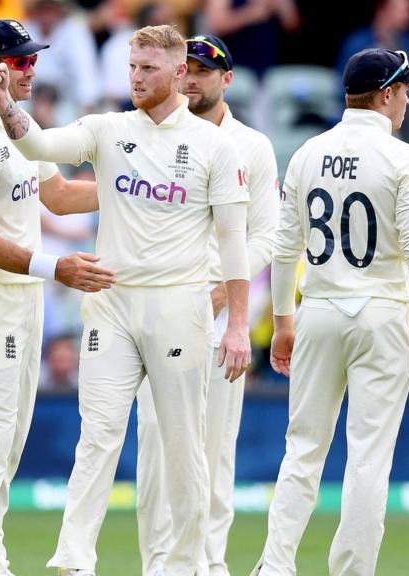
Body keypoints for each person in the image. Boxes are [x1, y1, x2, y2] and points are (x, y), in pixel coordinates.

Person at [0, 23, 252, 576]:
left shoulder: (215, 147)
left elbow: (233, 245)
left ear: (180, 73)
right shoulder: (107, 129)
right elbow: (37, 144)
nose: (136, 77)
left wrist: (239, 326)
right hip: (112, 303)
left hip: (180, 306)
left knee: (183, 446)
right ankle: (74, 559)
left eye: (149, 68)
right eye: (132, 66)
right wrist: (5, 103)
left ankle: (185, 563)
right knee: (98, 434)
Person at [252, 48, 409, 576]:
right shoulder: (403, 158)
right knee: (368, 456)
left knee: (302, 451)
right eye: (405, 89)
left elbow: (283, 247)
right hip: (380, 313)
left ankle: (274, 566)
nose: (408, 99)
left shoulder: (307, 153)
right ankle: (351, 570)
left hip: (317, 309)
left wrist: (283, 321)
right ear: (386, 93)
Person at [0, 19, 110, 576]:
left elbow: (57, 196)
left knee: (9, 443)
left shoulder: (19, 126)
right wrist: (53, 267)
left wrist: (136, 190)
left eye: (32, 59)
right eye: (19, 61)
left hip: (24, 296)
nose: (31, 68)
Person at [135, 33, 277, 576]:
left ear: (227, 80)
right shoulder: (149, 135)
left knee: (213, 453)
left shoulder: (252, 147)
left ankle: (208, 566)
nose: (192, 79)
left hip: (218, 322)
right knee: (156, 454)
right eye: (186, 69)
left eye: (204, 71)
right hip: (157, 317)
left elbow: (268, 236)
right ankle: (159, 566)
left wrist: (220, 294)